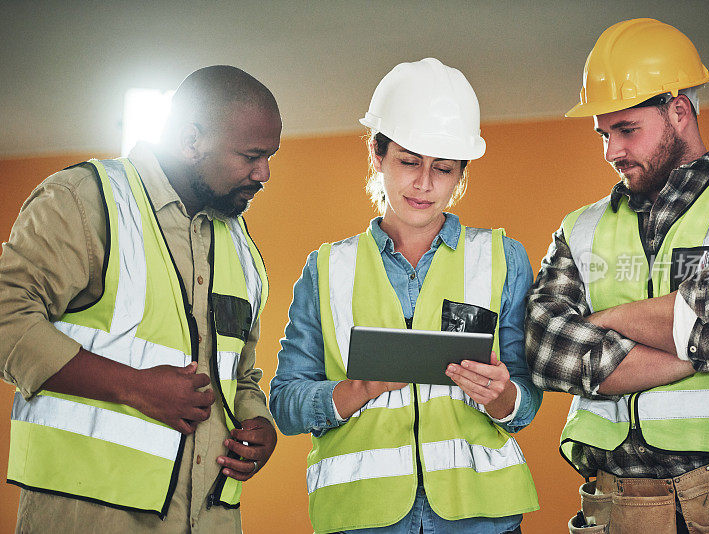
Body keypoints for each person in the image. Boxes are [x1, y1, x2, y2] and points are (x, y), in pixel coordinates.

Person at [525, 18, 709, 534]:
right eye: (604, 133)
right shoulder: (579, 228)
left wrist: (602, 321)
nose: (611, 151)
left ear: (679, 111)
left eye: (627, 130)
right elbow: (544, 347)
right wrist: (698, 352)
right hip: (615, 503)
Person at [0, 65, 280, 532]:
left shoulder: (240, 244)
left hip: (210, 520)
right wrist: (133, 386)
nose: (265, 172)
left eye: (270, 156)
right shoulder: (84, 199)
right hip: (89, 516)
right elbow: (6, 318)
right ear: (191, 140)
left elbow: (239, 373)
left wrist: (259, 424)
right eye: (251, 155)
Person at [269, 57, 541, 533]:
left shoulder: (502, 257)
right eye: (409, 162)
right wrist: (360, 389)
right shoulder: (328, 268)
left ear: (461, 172)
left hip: (481, 518)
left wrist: (502, 396)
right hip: (363, 519)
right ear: (377, 153)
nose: (424, 184)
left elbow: (525, 401)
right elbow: (286, 404)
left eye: (444, 169)